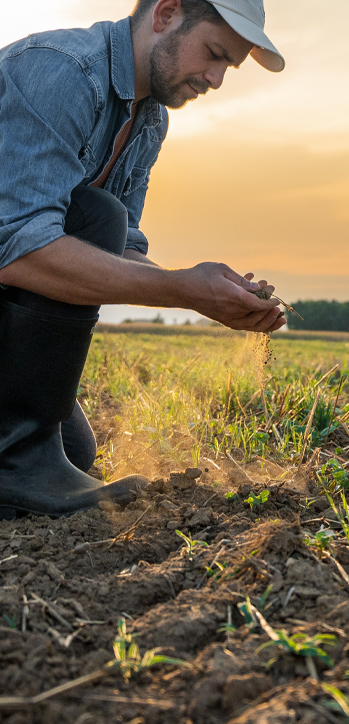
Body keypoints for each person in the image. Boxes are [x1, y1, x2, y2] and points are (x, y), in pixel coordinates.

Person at [0, 0, 286, 519]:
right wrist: (179, 288)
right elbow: (18, 249)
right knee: (96, 215)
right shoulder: (60, 70)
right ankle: (15, 465)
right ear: (166, 13)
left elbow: (124, 247)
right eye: (214, 54)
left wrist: (210, 295)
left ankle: (19, 464)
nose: (217, 79)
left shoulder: (148, 119)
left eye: (229, 67)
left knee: (74, 454)